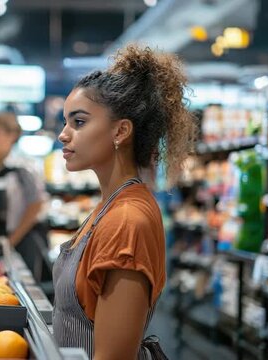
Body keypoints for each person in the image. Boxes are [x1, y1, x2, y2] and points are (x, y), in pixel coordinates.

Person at [53, 45, 196, 359]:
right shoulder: (112, 205)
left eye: (78, 122)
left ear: (120, 131)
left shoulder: (127, 220)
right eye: (65, 122)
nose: (64, 134)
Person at [0, 112, 49, 279]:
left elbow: (37, 204)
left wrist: (12, 240)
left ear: (12, 136)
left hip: (24, 242)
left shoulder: (23, 168)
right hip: (4, 242)